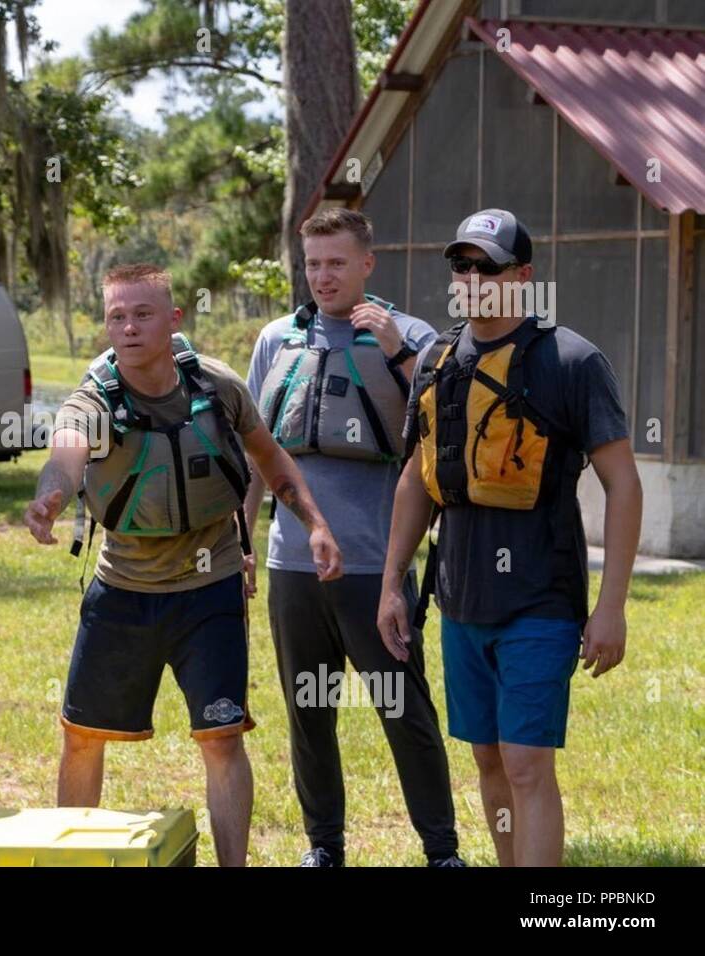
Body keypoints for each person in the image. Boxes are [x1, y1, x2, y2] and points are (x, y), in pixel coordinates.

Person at [24, 262, 343, 867]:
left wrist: (317, 526)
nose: (129, 328)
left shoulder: (217, 388)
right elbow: (66, 454)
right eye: (117, 316)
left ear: (173, 320)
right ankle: (72, 860)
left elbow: (271, 460)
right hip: (122, 586)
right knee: (82, 736)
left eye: (143, 314)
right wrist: (51, 497)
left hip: (210, 584)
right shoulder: (94, 399)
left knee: (221, 738)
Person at [379, 209, 643, 866]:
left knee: (526, 765)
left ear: (522, 275)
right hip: (461, 599)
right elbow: (418, 476)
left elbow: (624, 484)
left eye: (486, 266)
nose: (471, 278)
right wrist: (391, 583)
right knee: (490, 761)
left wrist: (611, 607)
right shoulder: (437, 361)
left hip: (540, 599)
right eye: (461, 266)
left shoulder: (571, 361)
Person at [244, 208, 463, 867]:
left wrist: (397, 347)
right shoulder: (277, 339)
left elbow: (440, 434)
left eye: (337, 262)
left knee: (405, 713)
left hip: (377, 566)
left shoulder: (412, 335)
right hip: (294, 564)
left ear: (368, 263)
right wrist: (242, 542)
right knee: (310, 713)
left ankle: (442, 850)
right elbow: (254, 449)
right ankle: (324, 848)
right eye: (313, 263)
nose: (323, 276)